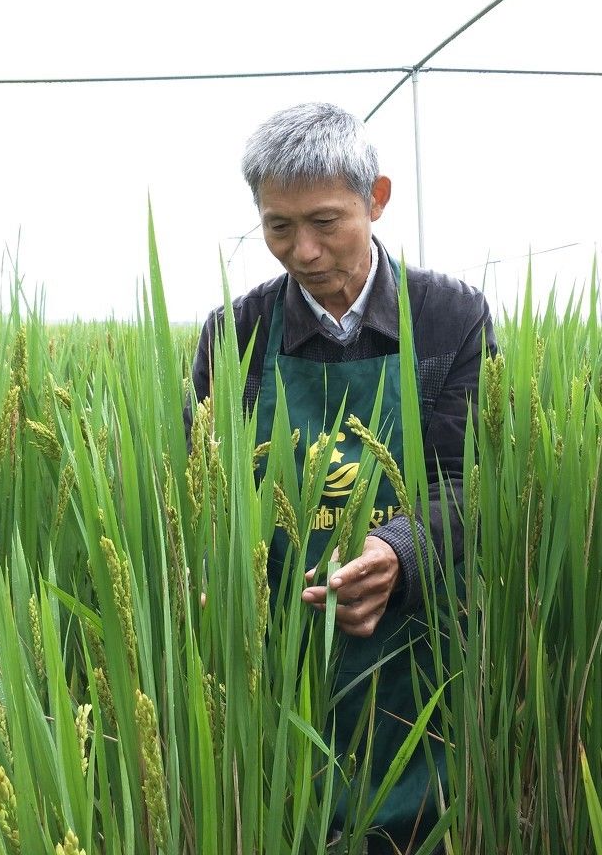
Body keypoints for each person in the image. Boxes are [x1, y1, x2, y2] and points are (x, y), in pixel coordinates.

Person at [190, 103, 495, 850]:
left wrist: (397, 551)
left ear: (377, 198)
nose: (303, 250)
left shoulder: (449, 316)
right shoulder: (236, 333)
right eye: (278, 226)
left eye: (326, 222)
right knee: (285, 811)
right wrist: (216, 579)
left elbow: (472, 479)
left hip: (415, 637)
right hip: (278, 634)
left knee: (413, 820)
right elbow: (203, 487)